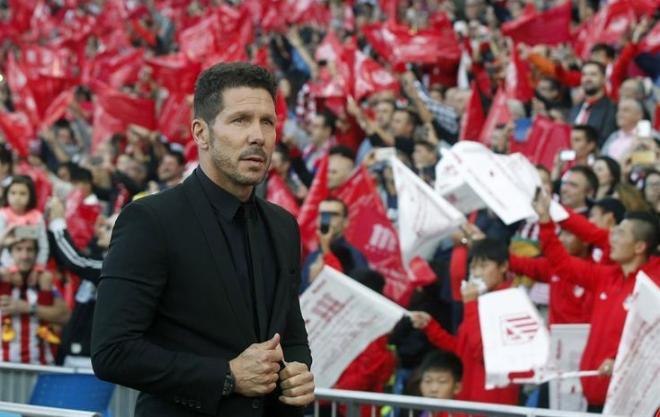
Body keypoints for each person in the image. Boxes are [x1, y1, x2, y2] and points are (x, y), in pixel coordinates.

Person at [91, 62, 314, 417]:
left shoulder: (283, 225)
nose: (258, 135)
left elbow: (291, 335)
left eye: (267, 122)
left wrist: (299, 370)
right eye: (240, 120)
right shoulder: (150, 220)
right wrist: (226, 376)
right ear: (201, 132)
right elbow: (113, 352)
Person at [533, 192, 660, 412]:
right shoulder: (606, 276)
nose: (611, 237)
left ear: (639, 247)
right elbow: (562, 263)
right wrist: (545, 223)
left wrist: (618, 360)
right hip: (594, 395)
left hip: (631, 401)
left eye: (620, 233)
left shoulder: (654, 283)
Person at [409, 239, 519, 406]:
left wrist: (470, 305)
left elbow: (483, 351)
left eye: (483, 266)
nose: (477, 273)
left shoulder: (510, 302)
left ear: (503, 267)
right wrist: (430, 327)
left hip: (492, 401)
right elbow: (461, 349)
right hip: (469, 396)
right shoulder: (478, 302)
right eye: (473, 267)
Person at [0, 228, 69, 364]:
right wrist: (1, 243)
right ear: (10, 253)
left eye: (29, 250)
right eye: (18, 249)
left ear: (37, 253)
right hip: (3, 367)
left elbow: (64, 316)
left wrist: (27, 308)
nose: (24, 256)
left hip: (40, 366)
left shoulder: (45, 282)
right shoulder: (3, 280)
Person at [300, 197, 368, 292]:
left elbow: (357, 295)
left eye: (334, 215)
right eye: (322, 214)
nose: (327, 219)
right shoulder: (311, 257)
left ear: (346, 222)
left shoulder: (354, 256)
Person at [0, 176, 49, 269]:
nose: (17, 197)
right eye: (13, 193)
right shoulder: (2, 215)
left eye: (22, 194)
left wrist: (38, 267)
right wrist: (12, 267)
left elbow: (43, 246)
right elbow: (2, 245)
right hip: (6, 265)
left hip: (31, 264)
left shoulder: (37, 217)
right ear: (7, 194)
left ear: (31, 196)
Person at [568, 61, 617, 146]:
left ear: (604, 79)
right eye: (584, 75)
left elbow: (606, 141)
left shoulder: (612, 109)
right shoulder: (575, 108)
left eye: (593, 74)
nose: (588, 79)